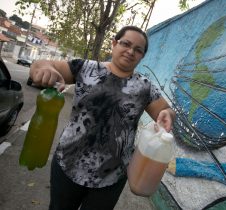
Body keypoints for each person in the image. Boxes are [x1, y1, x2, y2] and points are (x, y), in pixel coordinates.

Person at [29, 25, 175, 210]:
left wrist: (167, 115)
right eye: (126, 44)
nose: (131, 51)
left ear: (142, 56)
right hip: (68, 164)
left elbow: (166, 111)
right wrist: (43, 70)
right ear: (114, 44)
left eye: (138, 50)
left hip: (111, 177)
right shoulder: (85, 68)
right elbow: (41, 65)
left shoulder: (145, 87)